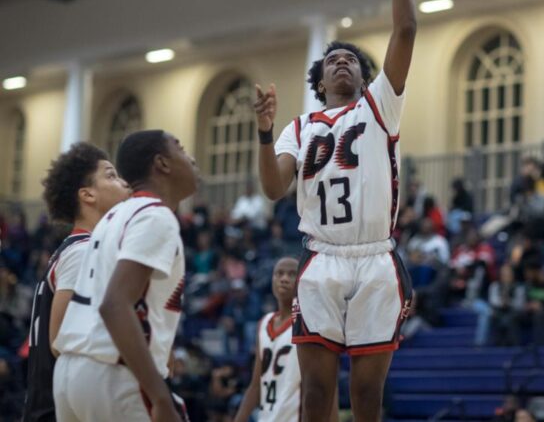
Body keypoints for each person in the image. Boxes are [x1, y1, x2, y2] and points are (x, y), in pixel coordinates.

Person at [253, 0, 416, 422]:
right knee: (317, 392)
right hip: (320, 258)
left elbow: (406, 30)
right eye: (333, 61)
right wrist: (264, 132)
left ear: (365, 78)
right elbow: (274, 187)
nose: (342, 62)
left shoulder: (380, 107)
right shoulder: (298, 128)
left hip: (374, 259)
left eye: (351, 60)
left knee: (367, 396)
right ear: (320, 81)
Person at [52, 130, 198, 422]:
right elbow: (115, 304)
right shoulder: (155, 216)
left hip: (70, 374)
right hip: (112, 370)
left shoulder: (111, 218)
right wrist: (160, 396)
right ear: (162, 164)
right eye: (181, 149)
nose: (191, 158)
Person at [23, 143, 131, 422]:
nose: (123, 183)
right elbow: (60, 340)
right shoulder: (83, 251)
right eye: (111, 176)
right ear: (87, 195)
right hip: (57, 409)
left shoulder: (78, 247)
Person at [234, 257, 332, 422]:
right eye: (279, 274)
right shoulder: (264, 323)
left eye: (292, 274)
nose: (284, 278)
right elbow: (256, 384)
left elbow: (325, 385)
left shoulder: (308, 322)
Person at [509, 260, 544, 345]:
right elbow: (528, 301)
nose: (526, 275)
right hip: (533, 314)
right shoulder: (530, 285)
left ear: (536, 271)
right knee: (514, 316)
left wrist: (542, 306)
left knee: (539, 315)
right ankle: (515, 346)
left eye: (529, 272)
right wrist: (528, 306)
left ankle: (542, 345)